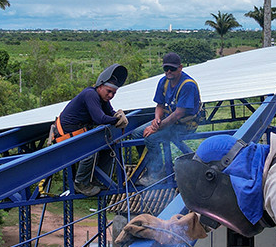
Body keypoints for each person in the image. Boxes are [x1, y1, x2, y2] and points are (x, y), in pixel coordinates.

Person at [51, 64, 128, 196]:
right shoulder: (90, 95)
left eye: (113, 93)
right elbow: (100, 118)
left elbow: (110, 113)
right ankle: (81, 183)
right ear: (100, 86)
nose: (110, 95)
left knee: (109, 148)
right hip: (65, 136)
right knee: (89, 152)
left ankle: (98, 180)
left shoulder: (102, 99)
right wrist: (116, 120)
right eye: (108, 91)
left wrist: (117, 115)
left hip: (78, 134)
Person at [138, 52, 201, 186]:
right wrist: (157, 119)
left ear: (180, 68)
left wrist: (157, 127)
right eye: (166, 68)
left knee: (151, 138)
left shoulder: (187, 85)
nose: (169, 71)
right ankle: (150, 166)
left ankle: (158, 172)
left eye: (172, 68)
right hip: (169, 121)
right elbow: (159, 105)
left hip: (185, 126)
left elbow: (178, 113)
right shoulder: (164, 81)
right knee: (137, 133)